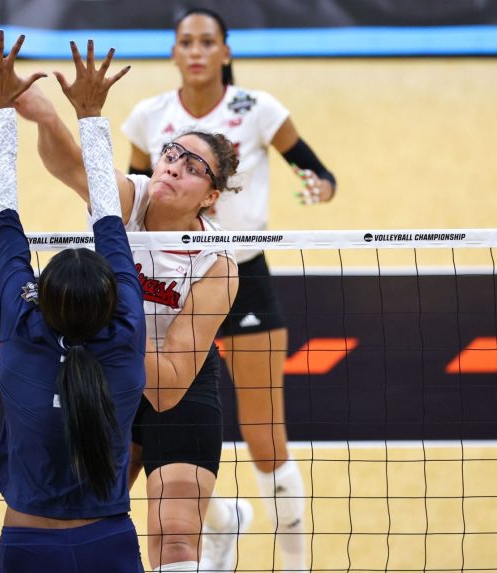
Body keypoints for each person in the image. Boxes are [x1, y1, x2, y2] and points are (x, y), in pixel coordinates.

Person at [121, 8, 338, 571]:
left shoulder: (257, 108)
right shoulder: (149, 117)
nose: (195, 51)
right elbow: (128, 199)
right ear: (173, 52)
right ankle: (223, 520)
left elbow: (314, 168)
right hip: (162, 280)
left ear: (225, 51)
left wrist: (319, 185)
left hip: (238, 275)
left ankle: (296, 566)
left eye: (207, 41)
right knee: (150, 435)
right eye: (185, 41)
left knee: (265, 438)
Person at [14, 75, 241, 572]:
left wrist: (105, 320)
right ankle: (220, 514)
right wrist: (46, 115)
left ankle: (205, 517)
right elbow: (71, 165)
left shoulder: (216, 265)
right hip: (106, 378)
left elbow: (167, 389)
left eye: (194, 167)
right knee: (77, 519)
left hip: (175, 385)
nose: (174, 167)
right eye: (172, 154)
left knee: (175, 541)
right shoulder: (130, 199)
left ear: (210, 196)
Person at [0, 31, 146, 572]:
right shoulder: (127, 333)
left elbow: (5, 214)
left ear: (38, 298)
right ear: (113, 296)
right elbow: (109, 216)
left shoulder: (23, 328)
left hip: (28, 547)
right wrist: (90, 112)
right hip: (110, 545)